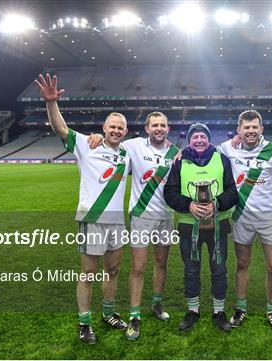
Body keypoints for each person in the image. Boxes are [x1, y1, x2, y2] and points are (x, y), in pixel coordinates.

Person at [35, 74, 129, 344]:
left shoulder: (126, 153)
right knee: (88, 273)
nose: (116, 131)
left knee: (113, 270)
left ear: (125, 131)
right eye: (112, 127)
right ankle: (84, 322)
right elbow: (60, 129)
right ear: (104, 127)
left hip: (116, 222)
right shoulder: (87, 145)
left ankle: (109, 314)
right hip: (92, 218)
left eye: (120, 128)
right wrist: (52, 103)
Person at [87, 112, 179, 341]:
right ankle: (135, 316)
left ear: (168, 128)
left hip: (167, 215)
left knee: (161, 262)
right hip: (141, 215)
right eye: (154, 125)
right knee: (138, 267)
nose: (159, 128)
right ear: (146, 128)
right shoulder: (134, 146)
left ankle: (157, 303)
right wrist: (99, 136)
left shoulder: (175, 153)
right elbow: (112, 141)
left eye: (163, 125)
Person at [163, 123, 238, 332]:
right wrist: (189, 205)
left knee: (219, 269)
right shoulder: (179, 161)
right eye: (194, 137)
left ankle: (219, 311)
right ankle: (193, 311)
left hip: (218, 226)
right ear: (189, 140)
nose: (199, 140)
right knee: (191, 270)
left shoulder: (221, 159)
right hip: (189, 227)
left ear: (208, 139)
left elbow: (233, 191)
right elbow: (169, 192)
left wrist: (217, 204)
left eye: (202, 137)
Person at [217, 110, 272, 332]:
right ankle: (240, 308)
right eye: (246, 127)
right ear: (239, 130)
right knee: (242, 264)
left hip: (269, 217)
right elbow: (204, 153)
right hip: (241, 216)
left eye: (254, 127)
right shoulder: (228, 149)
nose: (250, 131)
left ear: (261, 129)